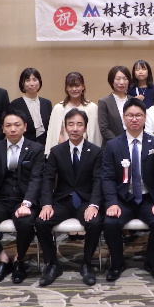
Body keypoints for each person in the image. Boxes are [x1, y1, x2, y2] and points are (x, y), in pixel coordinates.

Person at [0, 109, 45, 285]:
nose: (13, 129)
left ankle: (19, 259)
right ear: (3, 128)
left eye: (17, 125)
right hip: (1, 199)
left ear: (25, 127)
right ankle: (3, 260)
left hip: (23, 199)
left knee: (26, 223)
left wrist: (26, 204)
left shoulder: (36, 148)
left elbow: (36, 179)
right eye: (8, 125)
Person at [101, 98, 154, 281]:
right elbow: (107, 178)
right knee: (110, 223)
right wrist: (111, 203)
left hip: (148, 198)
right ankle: (117, 263)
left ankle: (151, 262)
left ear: (145, 117)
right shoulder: (113, 145)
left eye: (138, 115)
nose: (134, 119)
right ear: (124, 118)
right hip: (123, 198)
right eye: (130, 115)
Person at [35, 108, 103, 286]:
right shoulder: (57, 151)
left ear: (85, 128)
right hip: (62, 200)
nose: (75, 128)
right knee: (41, 222)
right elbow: (48, 179)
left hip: (86, 201)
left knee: (95, 222)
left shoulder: (95, 151)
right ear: (65, 127)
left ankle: (87, 263)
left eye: (79, 124)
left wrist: (94, 205)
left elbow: (98, 181)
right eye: (70, 124)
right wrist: (46, 204)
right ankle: (52, 263)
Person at [44, 72, 102, 152]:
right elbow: (57, 134)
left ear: (83, 87)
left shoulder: (92, 108)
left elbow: (94, 136)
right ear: (66, 88)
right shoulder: (58, 109)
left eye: (77, 85)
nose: (74, 89)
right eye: (71, 86)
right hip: (63, 153)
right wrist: (67, 152)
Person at [9, 68, 52, 146]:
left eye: (34, 80)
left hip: (45, 146)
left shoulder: (46, 103)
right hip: (24, 146)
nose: (32, 84)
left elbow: (50, 127)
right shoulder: (15, 104)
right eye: (27, 80)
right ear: (22, 83)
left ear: (39, 82)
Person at [98, 65, 133, 147]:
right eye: (118, 79)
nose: (122, 82)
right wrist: (120, 143)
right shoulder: (104, 102)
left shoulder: (133, 101)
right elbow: (104, 129)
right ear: (111, 81)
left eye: (125, 79)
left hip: (132, 145)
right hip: (112, 146)